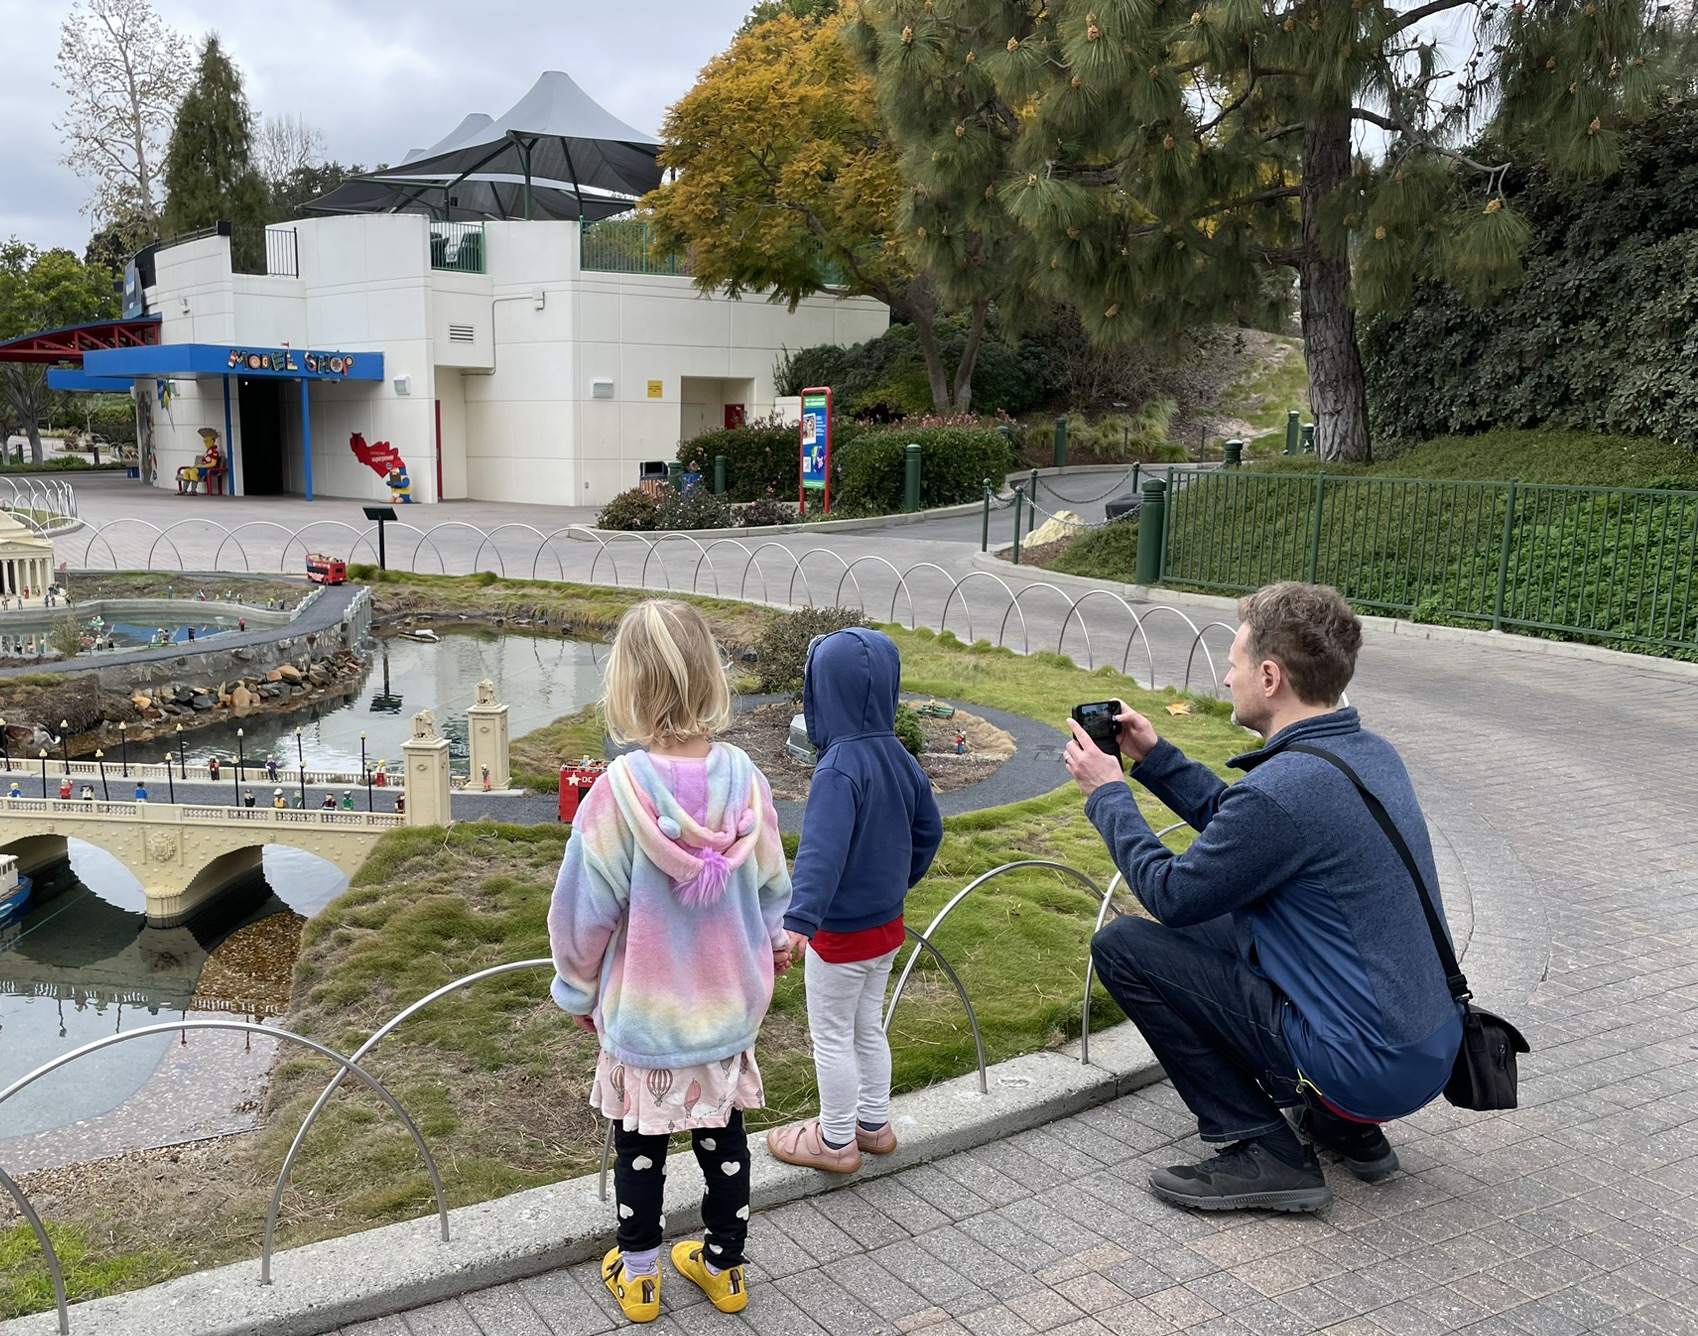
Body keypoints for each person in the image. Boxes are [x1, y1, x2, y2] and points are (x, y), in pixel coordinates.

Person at [1062, 582, 1464, 1214]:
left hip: (1368, 1064)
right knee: (1234, 922)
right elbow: (1248, 827)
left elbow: (1173, 894)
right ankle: (1345, 1128)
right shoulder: (1365, 753)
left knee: (1124, 946)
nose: (1226, 680)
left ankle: (1264, 1149)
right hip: (1428, 1044)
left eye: (1234, 665)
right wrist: (1156, 758)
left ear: (1270, 676)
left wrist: (1108, 793)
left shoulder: (1286, 789)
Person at [547, 600, 792, 1324]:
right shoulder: (747, 780)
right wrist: (776, 940)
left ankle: (642, 1276)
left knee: (641, 1144)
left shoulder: (615, 798)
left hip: (648, 1011)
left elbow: (582, 912)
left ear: (626, 686)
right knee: (724, 1139)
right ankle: (724, 1267)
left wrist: (578, 984)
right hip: (727, 1004)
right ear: (710, 676)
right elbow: (775, 881)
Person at [765, 628, 943, 1175]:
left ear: (822, 690)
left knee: (833, 1035)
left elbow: (821, 854)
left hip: (839, 934)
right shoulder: (901, 757)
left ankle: (836, 1141)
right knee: (867, 1026)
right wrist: (895, 885)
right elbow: (928, 833)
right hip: (886, 927)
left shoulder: (837, 768)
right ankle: (874, 1124)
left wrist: (799, 921)